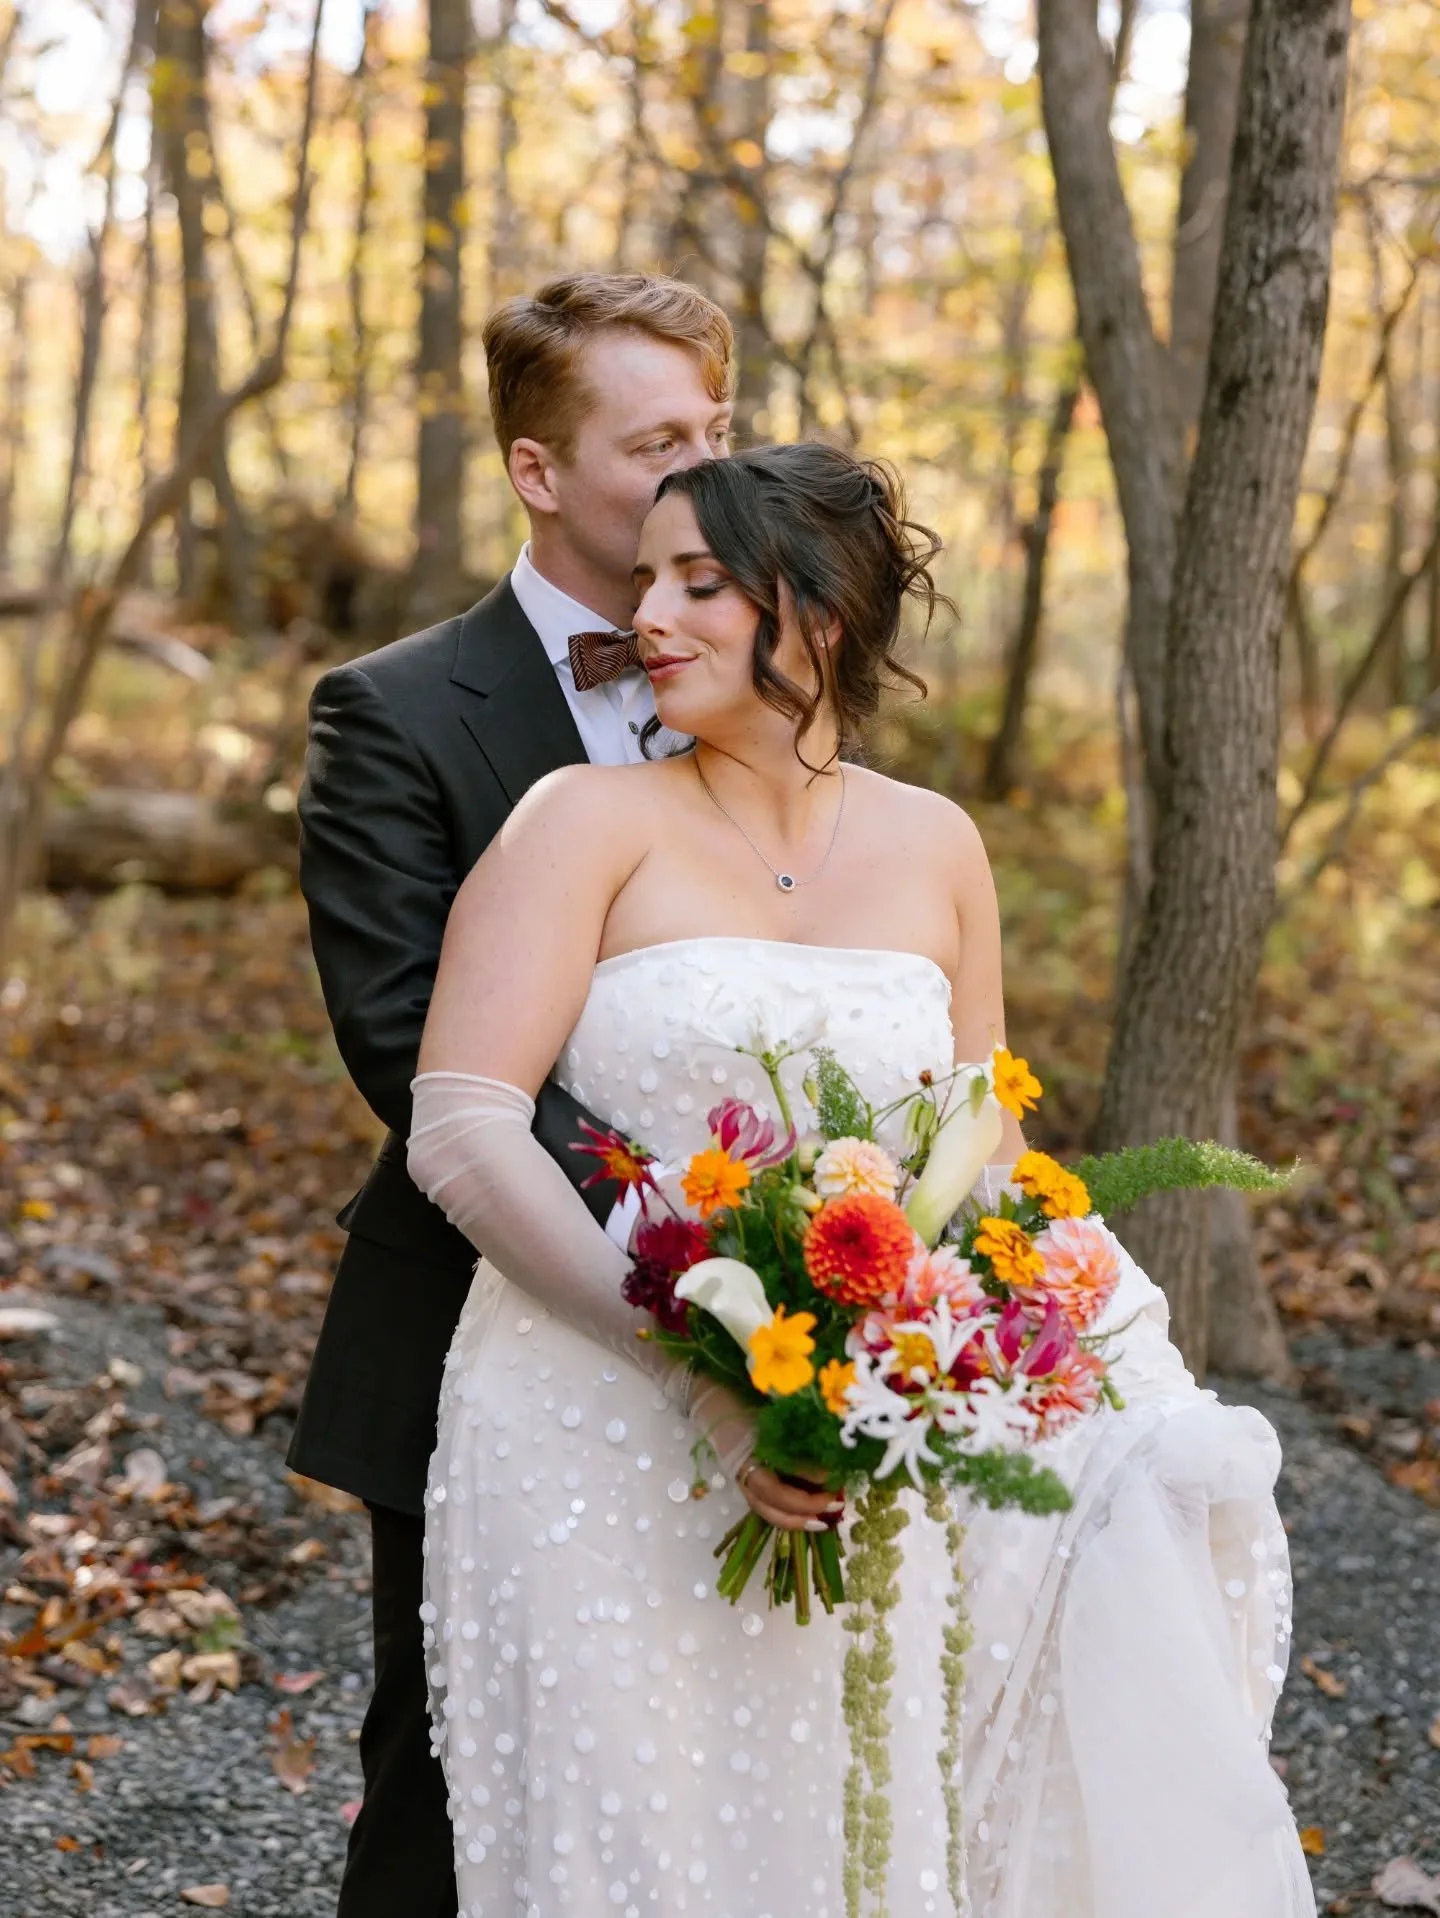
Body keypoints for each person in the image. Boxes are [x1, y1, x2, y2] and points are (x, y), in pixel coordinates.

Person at [407, 442, 1317, 1917]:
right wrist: (693, 1370)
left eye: (700, 582)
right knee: (633, 1854)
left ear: (818, 612)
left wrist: (1047, 1346)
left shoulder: (938, 845)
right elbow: (458, 1124)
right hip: (588, 1428)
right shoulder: (583, 821)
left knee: (850, 1840)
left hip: (857, 1453)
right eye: (646, 579)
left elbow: (984, 1140)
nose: (653, 612)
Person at [289, 272, 737, 1918]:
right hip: (490, 1318)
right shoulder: (393, 712)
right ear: (539, 473)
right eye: (655, 444)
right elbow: (411, 1044)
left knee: (710, 1746)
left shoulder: (769, 688)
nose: (699, 477)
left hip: (798, 1309)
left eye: (716, 433)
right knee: (452, 1767)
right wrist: (708, 1252)